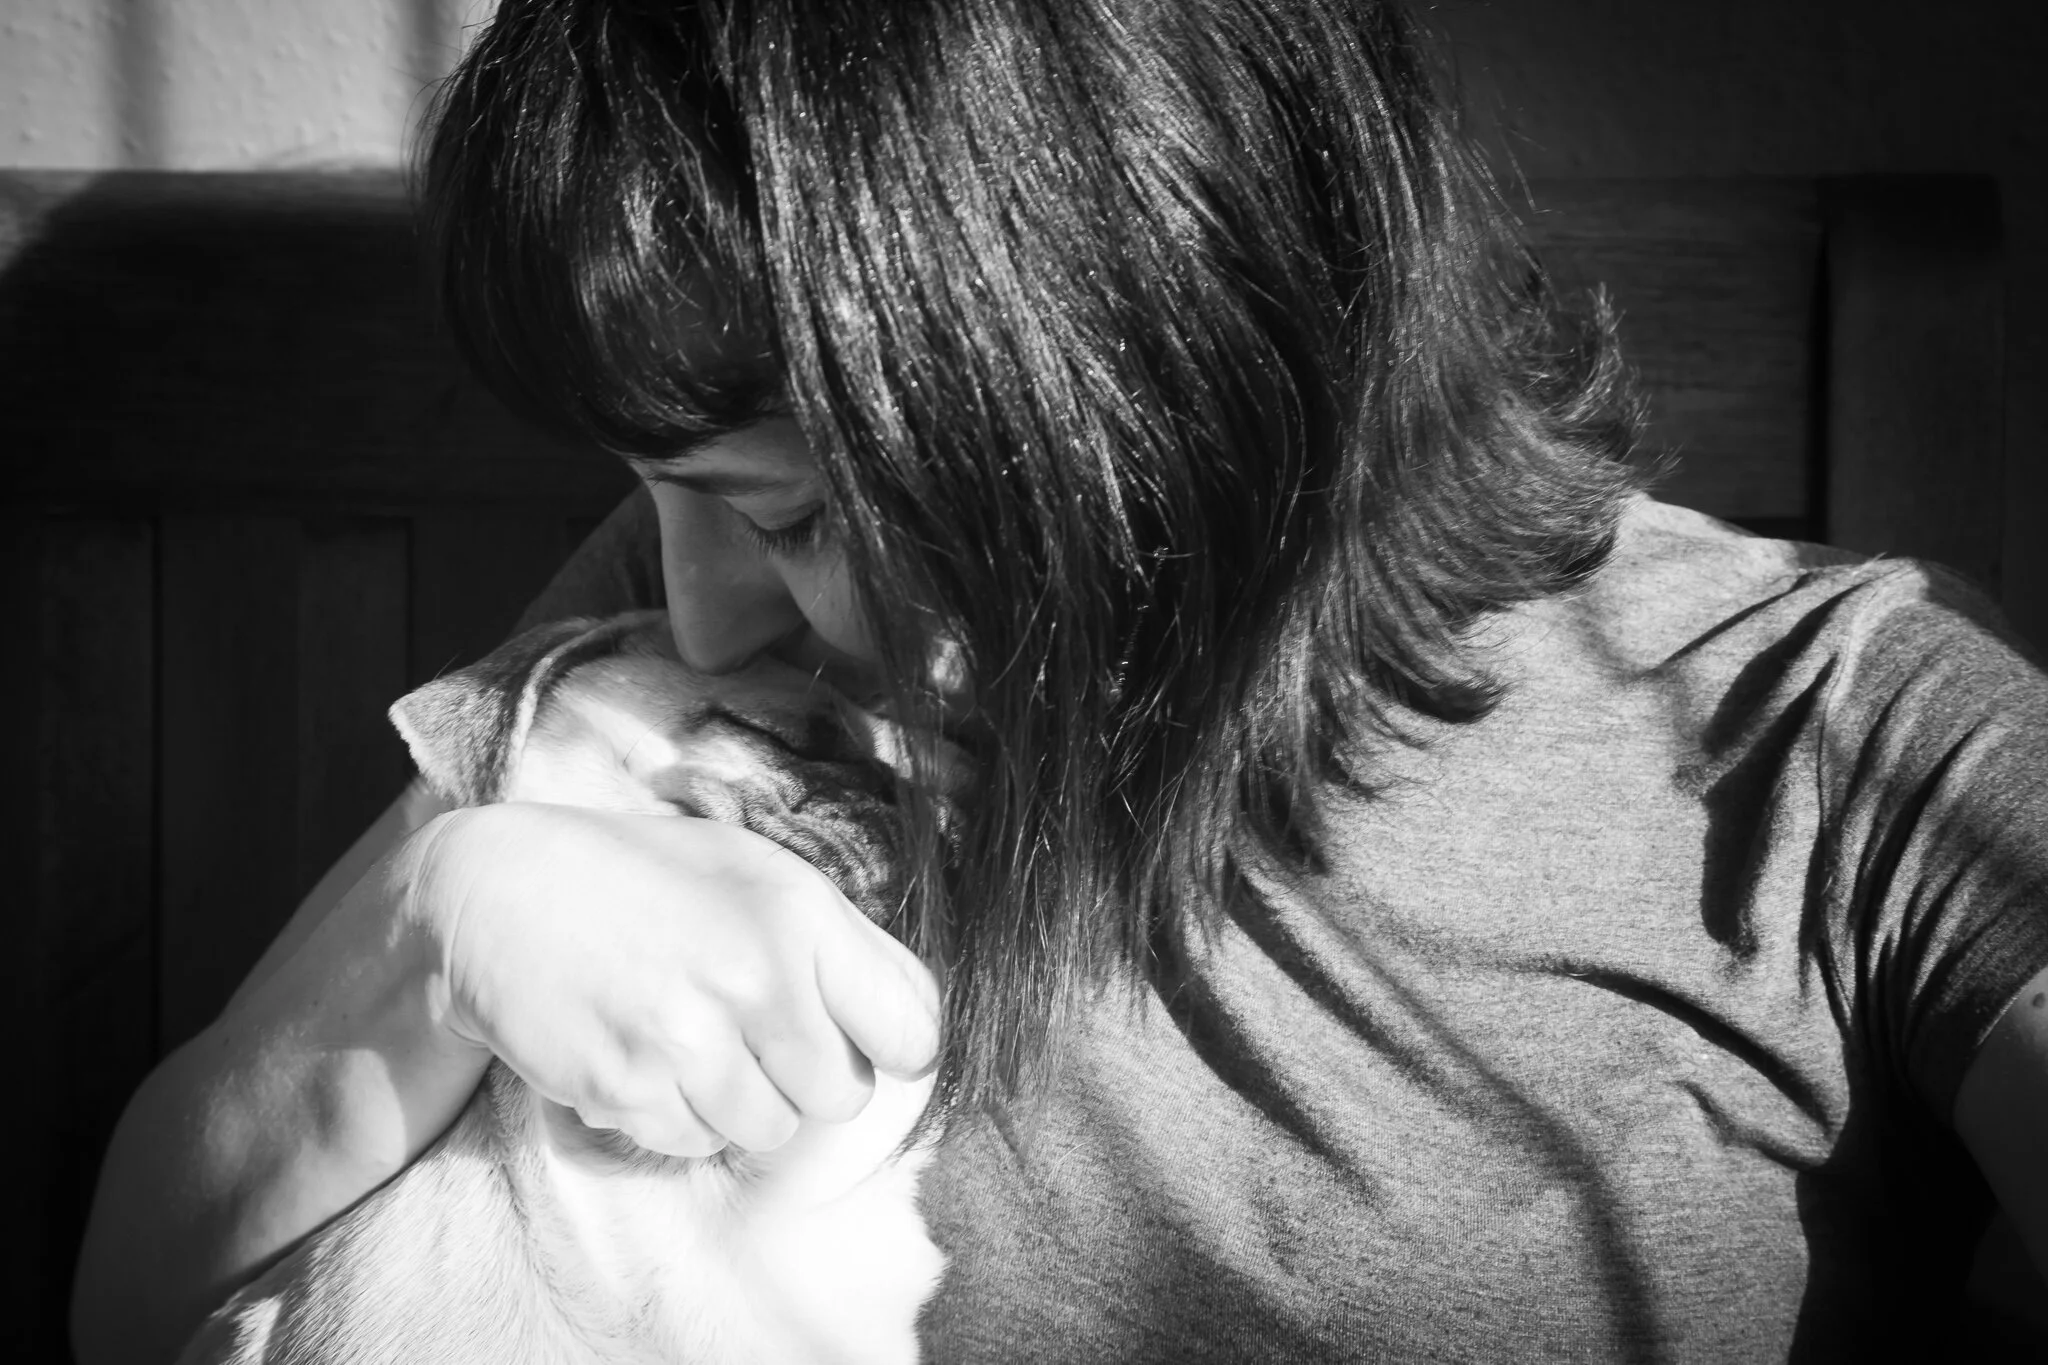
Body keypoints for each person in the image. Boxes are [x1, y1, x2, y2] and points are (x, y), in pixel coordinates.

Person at [71, 0, 2048, 1360]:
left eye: (802, 513)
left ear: (1161, 379)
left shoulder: (1837, 744)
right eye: (667, 494)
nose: (698, 611)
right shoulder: (717, 652)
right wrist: (442, 918)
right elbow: (135, 1289)